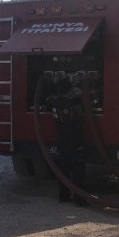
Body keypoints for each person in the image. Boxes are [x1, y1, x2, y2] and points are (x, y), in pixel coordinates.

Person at [48, 77, 87, 207]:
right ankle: (79, 199)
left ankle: (63, 196)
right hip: (75, 141)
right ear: (70, 90)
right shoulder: (74, 104)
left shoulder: (55, 103)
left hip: (61, 141)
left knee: (63, 169)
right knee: (78, 171)